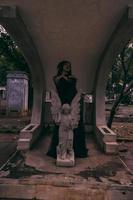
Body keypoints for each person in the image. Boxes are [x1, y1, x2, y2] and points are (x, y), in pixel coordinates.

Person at [47, 60, 88, 158]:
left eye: (69, 65)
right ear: (61, 66)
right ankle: (61, 150)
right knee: (61, 126)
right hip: (62, 103)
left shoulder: (73, 78)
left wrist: (80, 94)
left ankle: (76, 150)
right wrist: (62, 77)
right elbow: (57, 85)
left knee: (74, 125)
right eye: (66, 65)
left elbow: (74, 88)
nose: (68, 67)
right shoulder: (56, 78)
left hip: (72, 102)